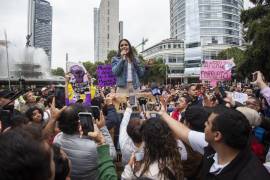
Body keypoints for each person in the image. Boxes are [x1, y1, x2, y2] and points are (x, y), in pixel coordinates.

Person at [159, 105, 270, 179]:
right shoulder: (216, 146)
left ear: (217, 135)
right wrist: (163, 114)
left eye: (207, 123)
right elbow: (185, 132)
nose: (204, 125)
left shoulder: (252, 175)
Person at [53, 104, 116, 180]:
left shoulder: (57, 139)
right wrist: (103, 128)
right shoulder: (93, 146)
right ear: (80, 123)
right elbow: (112, 155)